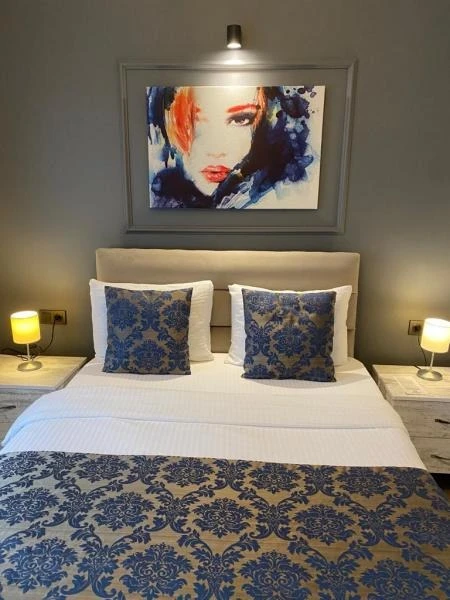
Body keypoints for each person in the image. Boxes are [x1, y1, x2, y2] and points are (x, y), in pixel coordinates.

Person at [147, 84, 322, 209]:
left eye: (240, 119)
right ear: (164, 120)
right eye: (192, 120)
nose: (216, 151)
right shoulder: (159, 195)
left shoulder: (279, 195)